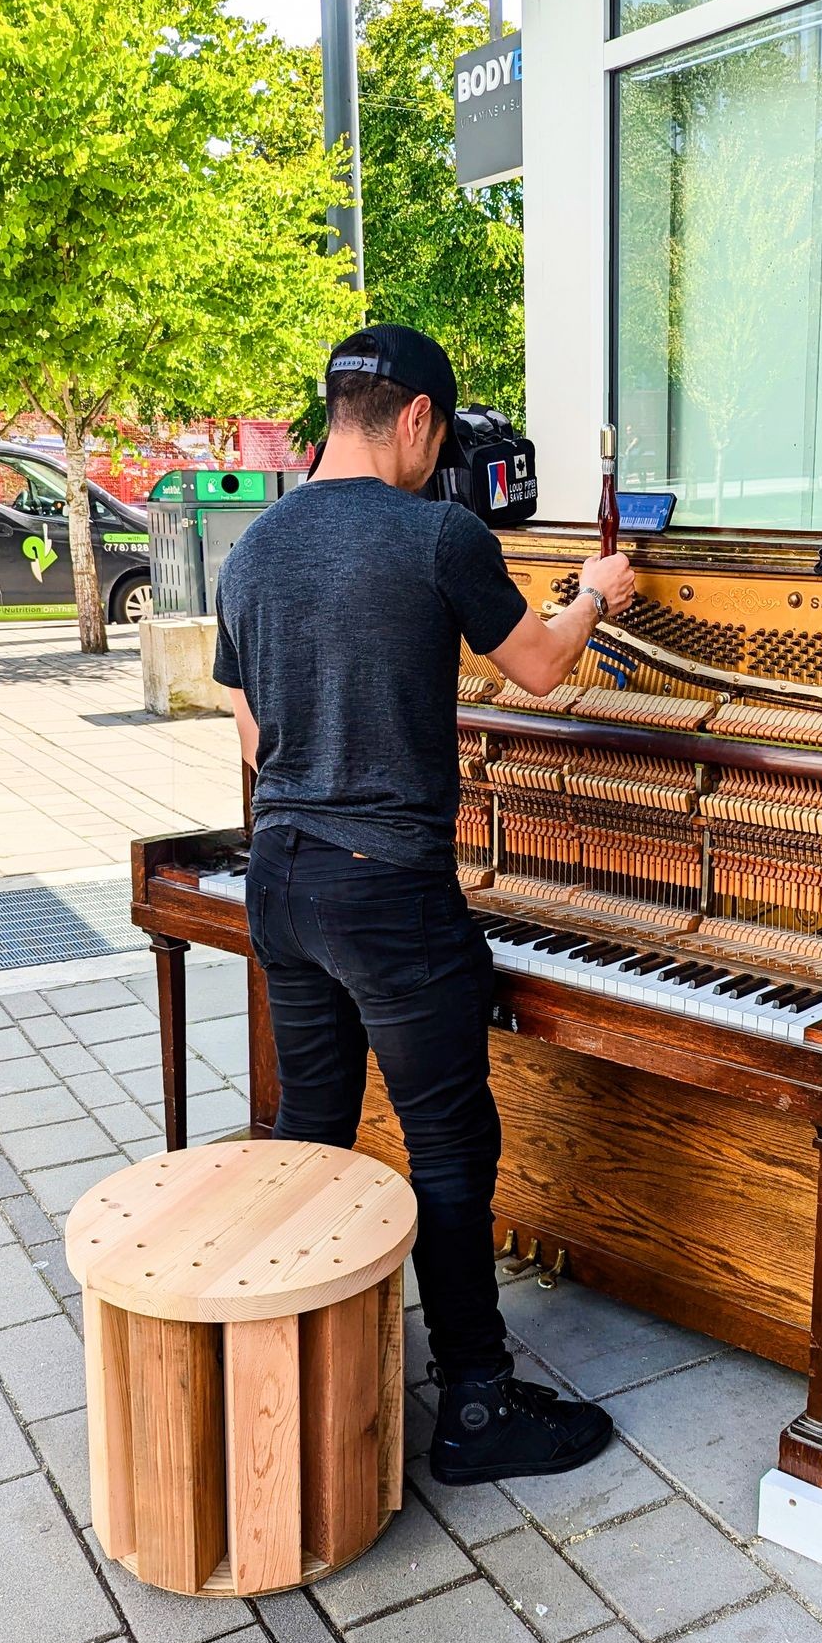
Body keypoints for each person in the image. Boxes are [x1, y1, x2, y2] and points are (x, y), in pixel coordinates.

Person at [213, 325, 635, 1487]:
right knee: (450, 1146)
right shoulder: (439, 533)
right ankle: (477, 1408)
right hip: (385, 889)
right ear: (413, 420)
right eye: (436, 433)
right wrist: (592, 593)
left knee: (313, 1127)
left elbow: (252, 739)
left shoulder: (252, 548)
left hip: (281, 876)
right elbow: (540, 668)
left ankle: (292, 1373)